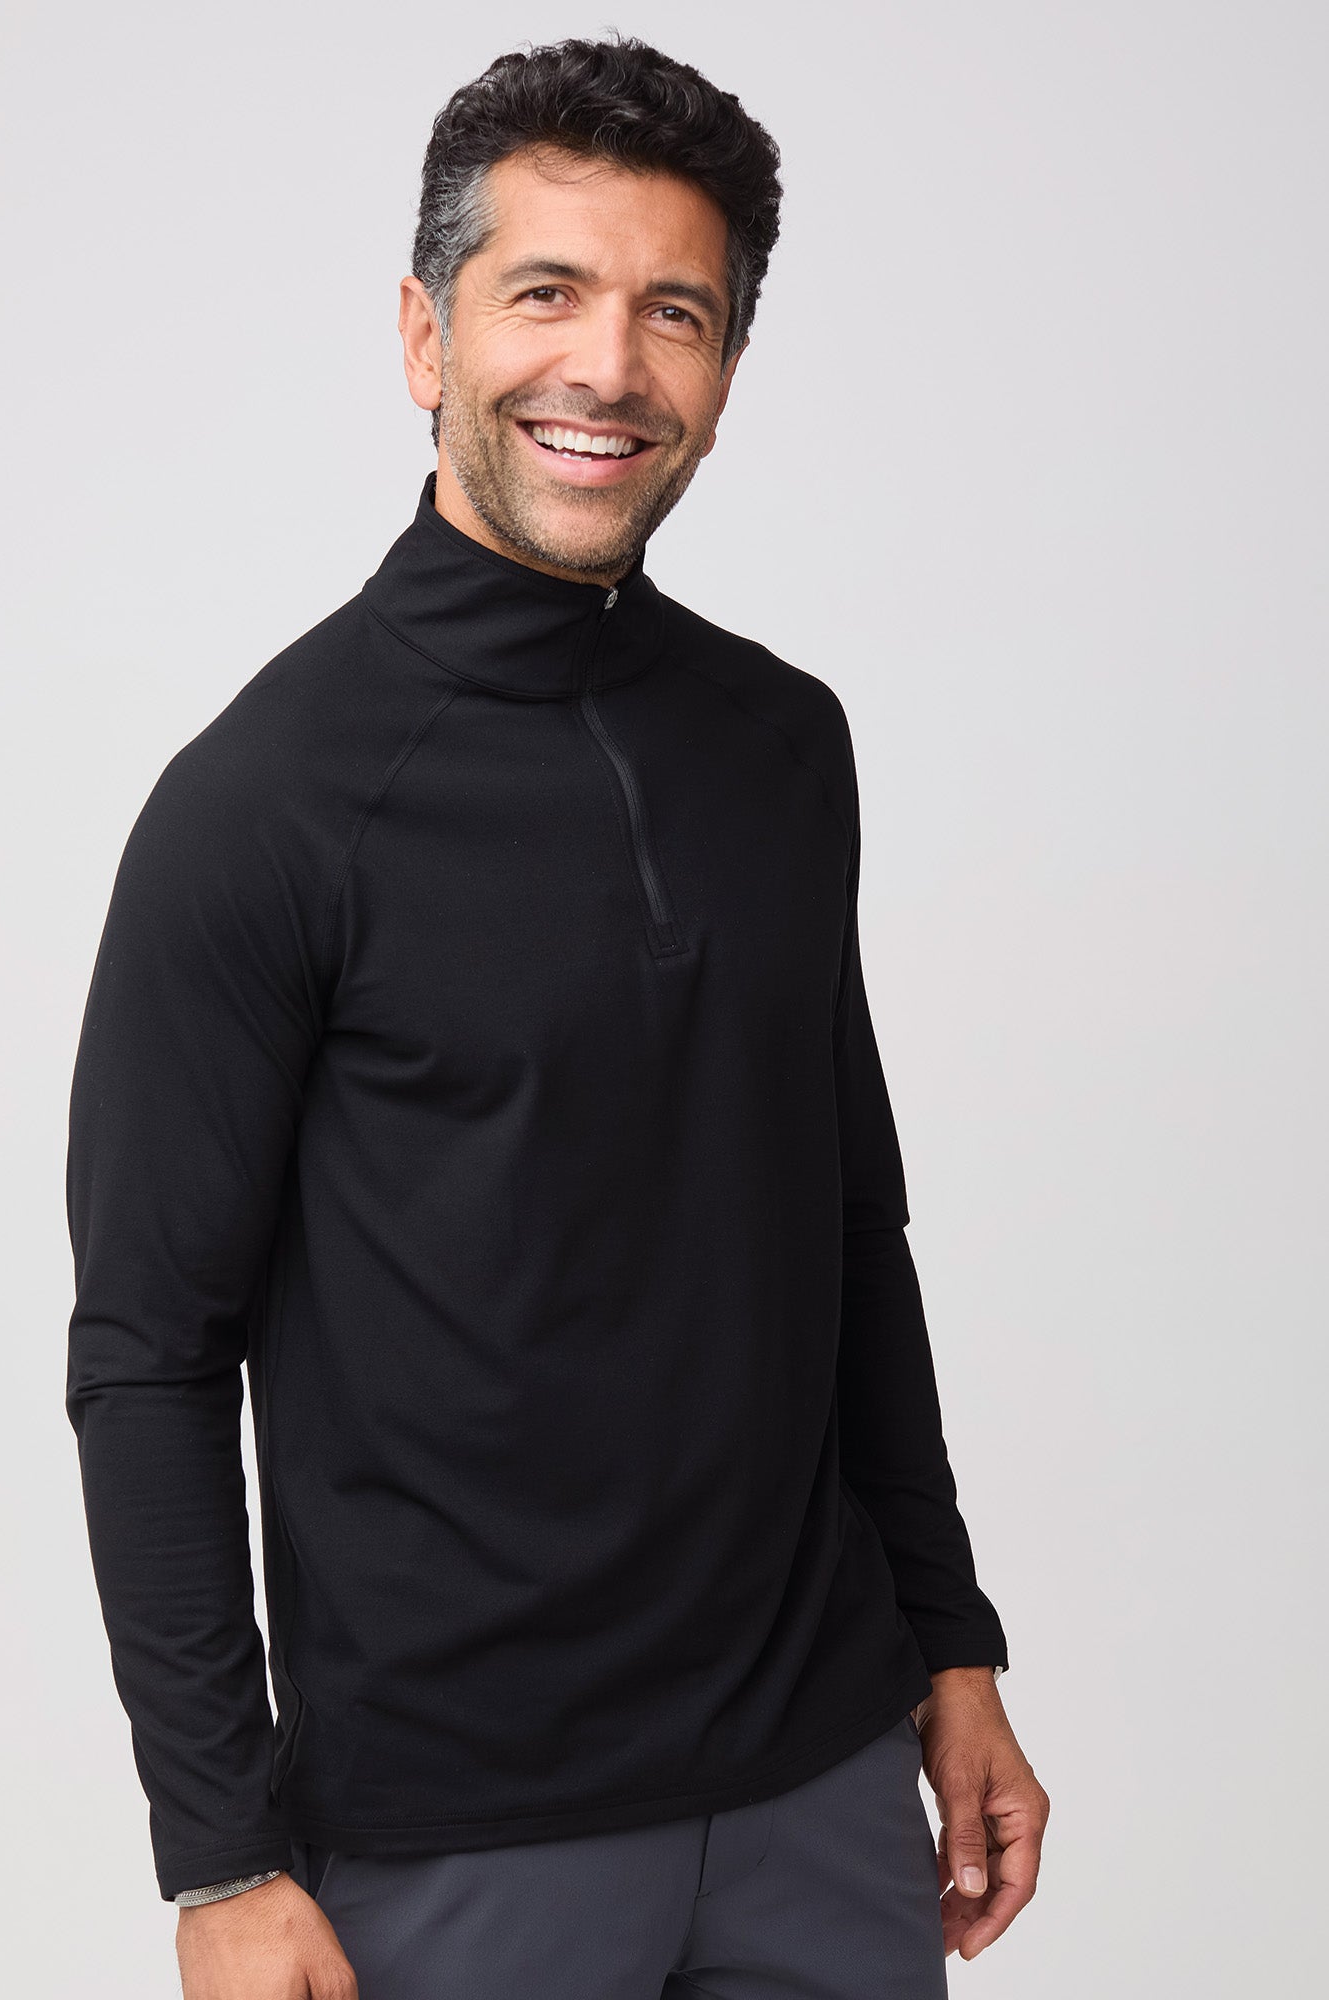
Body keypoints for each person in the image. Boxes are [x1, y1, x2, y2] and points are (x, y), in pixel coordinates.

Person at [65, 32, 1049, 2000]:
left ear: (727, 371)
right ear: (424, 336)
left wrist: (952, 1645)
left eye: (674, 312)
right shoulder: (264, 808)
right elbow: (151, 1356)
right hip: (461, 1841)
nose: (609, 365)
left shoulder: (784, 743)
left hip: (823, 1788)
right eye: (546, 293)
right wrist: (218, 1854)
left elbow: (849, 1222)